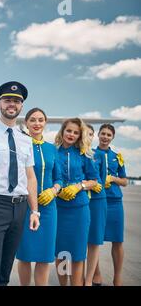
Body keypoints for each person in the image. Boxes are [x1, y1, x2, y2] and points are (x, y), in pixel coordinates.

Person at [0, 81, 40, 286]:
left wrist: (34, 211)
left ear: (21, 106)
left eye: (16, 101)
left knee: (5, 267)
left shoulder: (26, 139)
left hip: (20, 207)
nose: (11, 104)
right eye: (7, 100)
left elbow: (30, 176)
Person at [16, 108, 62, 286]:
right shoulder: (20, 144)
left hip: (49, 208)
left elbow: (59, 177)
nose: (37, 123)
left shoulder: (52, 149)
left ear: (45, 123)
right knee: (25, 254)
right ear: (26, 123)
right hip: (25, 206)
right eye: (33, 120)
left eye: (40, 120)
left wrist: (54, 190)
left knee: (44, 256)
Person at [54, 118, 98, 286]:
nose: (71, 134)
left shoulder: (84, 154)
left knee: (78, 253)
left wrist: (79, 186)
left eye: (75, 132)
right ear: (62, 131)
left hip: (79, 210)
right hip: (59, 209)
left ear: (80, 135)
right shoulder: (53, 151)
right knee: (61, 252)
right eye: (69, 130)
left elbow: (94, 180)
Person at [92, 124, 128, 286]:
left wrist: (112, 179)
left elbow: (125, 181)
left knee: (118, 240)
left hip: (114, 202)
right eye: (103, 134)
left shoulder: (117, 156)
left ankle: (118, 276)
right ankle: (97, 273)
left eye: (109, 134)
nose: (105, 137)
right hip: (97, 201)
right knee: (95, 239)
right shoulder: (91, 154)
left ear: (112, 137)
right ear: (98, 135)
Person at [84, 124, 107, 286]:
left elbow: (102, 180)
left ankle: (89, 279)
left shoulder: (98, 155)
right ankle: (76, 276)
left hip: (97, 201)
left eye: (91, 134)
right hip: (77, 201)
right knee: (78, 241)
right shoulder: (75, 153)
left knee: (93, 241)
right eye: (85, 133)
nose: (88, 137)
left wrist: (95, 183)